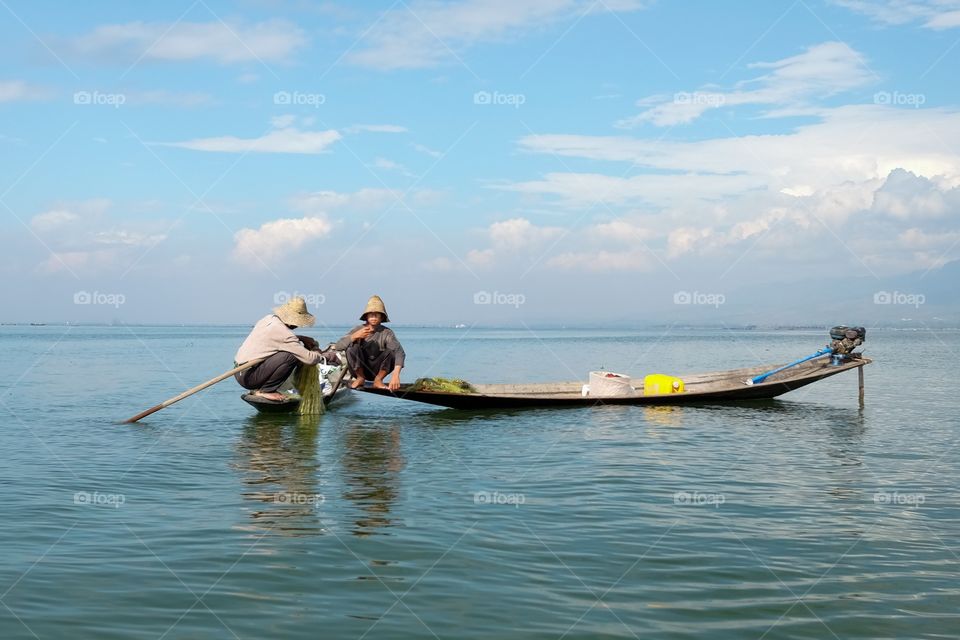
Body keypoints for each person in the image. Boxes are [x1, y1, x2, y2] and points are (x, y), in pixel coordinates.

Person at [234, 297, 321, 401]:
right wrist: (317, 350)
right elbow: (310, 359)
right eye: (298, 323)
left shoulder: (269, 318)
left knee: (288, 351)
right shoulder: (285, 335)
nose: (298, 326)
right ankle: (266, 391)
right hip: (249, 377)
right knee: (291, 356)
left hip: (238, 371)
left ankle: (265, 388)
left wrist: (300, 338)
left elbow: (270, 337)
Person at [334, 295, 405, 391]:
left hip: (377, 370)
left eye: (377, 314)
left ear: (382, 317)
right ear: (366, 317)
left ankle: (378, 380)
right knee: (352, 347)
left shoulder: (387, 333)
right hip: (359, 368)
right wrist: (354, 336)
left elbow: (399, 352)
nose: (374, 317)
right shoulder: (358, 329)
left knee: (392, 352)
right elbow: (338, 346)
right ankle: (360, 378)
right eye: (371, 314)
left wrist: (395, 375)